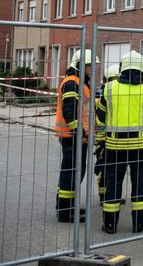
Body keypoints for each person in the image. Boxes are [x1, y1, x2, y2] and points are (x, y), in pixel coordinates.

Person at [96, 50, 143, 234]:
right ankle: (139, 225)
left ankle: (110, 226)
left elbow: (100, 113)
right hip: (141, 146)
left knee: (113, 183)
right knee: (139, 183)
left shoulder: (109, 88)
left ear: (122, 67)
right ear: (142, 68)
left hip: (115, 146)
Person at [54, 48, 98, 223]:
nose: (92, 68)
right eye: (89, 65)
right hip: (73, 137)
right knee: (71, 173)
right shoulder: (73, 83)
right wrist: (79, 134)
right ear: (80, 65)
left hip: (76, 136)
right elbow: (70, 112)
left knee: (73, 173)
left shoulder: (79, 81)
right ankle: (65, 212)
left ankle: (67, 206)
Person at [94, 64, 120, 204]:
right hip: (106, 138)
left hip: (104, 137)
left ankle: (106, 195)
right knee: (106, 168)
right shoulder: (105, 95)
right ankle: (105, 196)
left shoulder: (101, 93)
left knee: (106, 167)